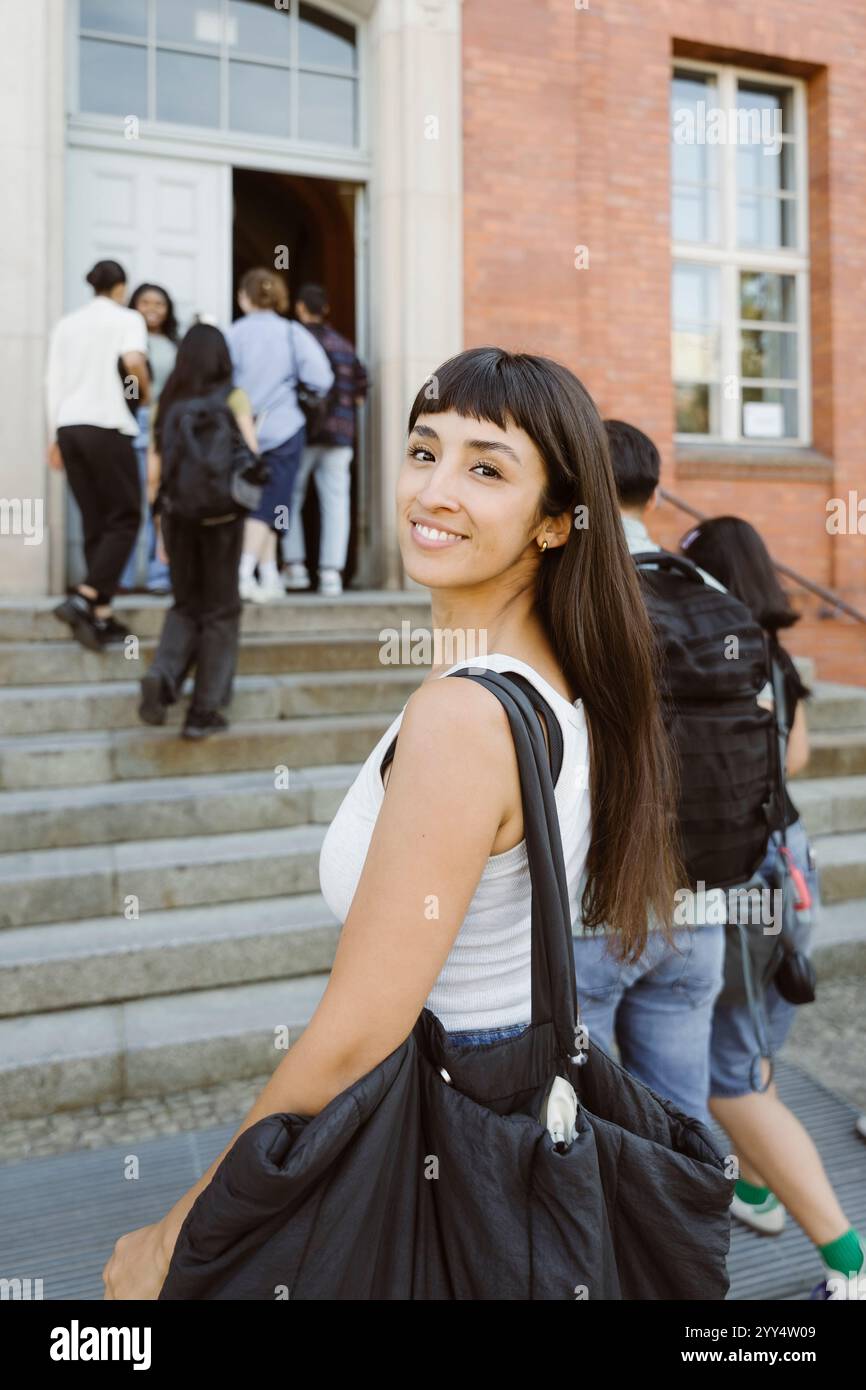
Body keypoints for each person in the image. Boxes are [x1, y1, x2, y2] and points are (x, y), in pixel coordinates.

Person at [103, 346, 683, 1299]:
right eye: (424, 451)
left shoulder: (465, 716)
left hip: (438, 1138)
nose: (434, 490)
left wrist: (179, 1231)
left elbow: (355, 1033)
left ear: (551, 523)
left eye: (486, 467)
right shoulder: (552, 686)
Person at [680, 515, 865, 1298]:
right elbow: (796, 756)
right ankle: (756, 1194)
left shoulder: (712, 654)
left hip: (748, 878)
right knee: (749, 1052)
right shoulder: (774, 652)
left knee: (727, 1078)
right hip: (794, 862)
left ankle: (848, 1262)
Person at [570, 420, 728, 1129]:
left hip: (594, 904)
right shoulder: (709, 585)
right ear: (657, 493)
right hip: (702, 903)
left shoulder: (574, 590)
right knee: (682, 1127)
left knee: (594, 1131)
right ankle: (691, 1237)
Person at [137, 325, 257, 740]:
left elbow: (155, 474)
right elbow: (251, 457)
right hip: (224, 519)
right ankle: (203, 711)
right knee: (222, 611)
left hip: (178, 517)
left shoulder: (166, 402)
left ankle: (164, 674)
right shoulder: (233, 397)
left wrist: (160, 529)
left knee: (186, 604)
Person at [47, 259, 150, 650]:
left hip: (69, 426)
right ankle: (86, 596)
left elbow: (52, 380)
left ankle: (100, 615)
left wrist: (53, 434)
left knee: (96, 519)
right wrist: (143, 394)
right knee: (125, 516)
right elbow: (133, 363)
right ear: (121, 287)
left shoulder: (66, 324)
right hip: (108, 424)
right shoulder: (126, 319)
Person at [225, 268, 333, 603]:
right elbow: (322, 378)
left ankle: (267, 575)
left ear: (244, 297)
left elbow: (223, 381)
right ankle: (246, 573)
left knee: (257, 502)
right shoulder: (292, 332)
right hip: (285, 426)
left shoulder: (233, 333)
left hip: (244, 429)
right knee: (273, 502)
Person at [281, 282, 369, 596]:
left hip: (302, 433)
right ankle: (331, 573)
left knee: (289, 500)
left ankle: (295, 568)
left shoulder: (293, 339)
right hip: (341, 436)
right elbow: (362, 387)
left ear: (300, 308)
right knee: (336, 503)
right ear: (326, 310)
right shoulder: (344, 345)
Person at [118, 283, 179, 594]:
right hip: (138, 425)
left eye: (160, 302)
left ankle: (160, 574)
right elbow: (127, 384)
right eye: (145, 302)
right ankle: (124, 577)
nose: (153, 308)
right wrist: (142, 401)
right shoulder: (128, 341)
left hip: (169, 427)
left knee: (163, 503)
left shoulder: (173, 344)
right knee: (134, 501)